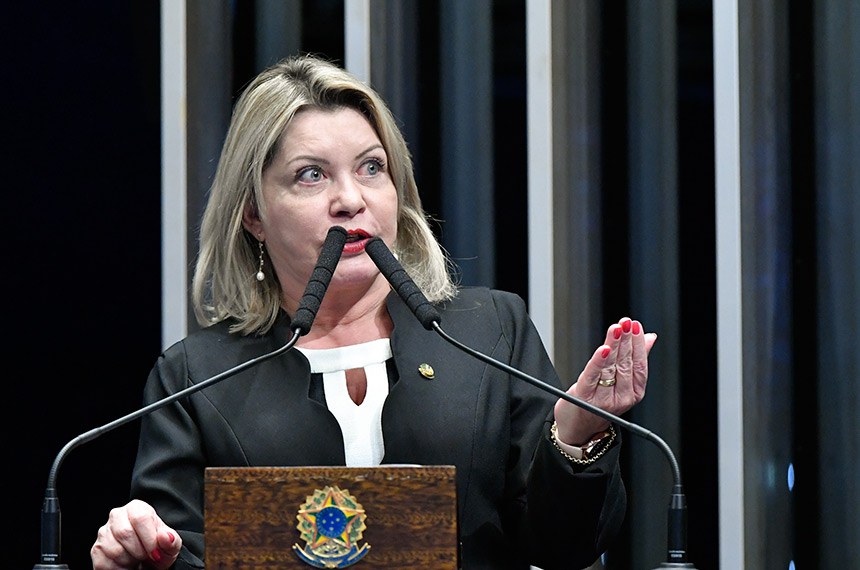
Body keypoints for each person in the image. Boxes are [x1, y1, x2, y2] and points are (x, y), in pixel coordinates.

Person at [90, 53, 657, 570]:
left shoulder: (489, 334)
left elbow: (565, 547)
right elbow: (175, 552)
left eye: (370, 168)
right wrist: (140, 554)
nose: (351, 200)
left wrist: (576, 434)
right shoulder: (196, 380)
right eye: (311, 175)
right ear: (253, 215)